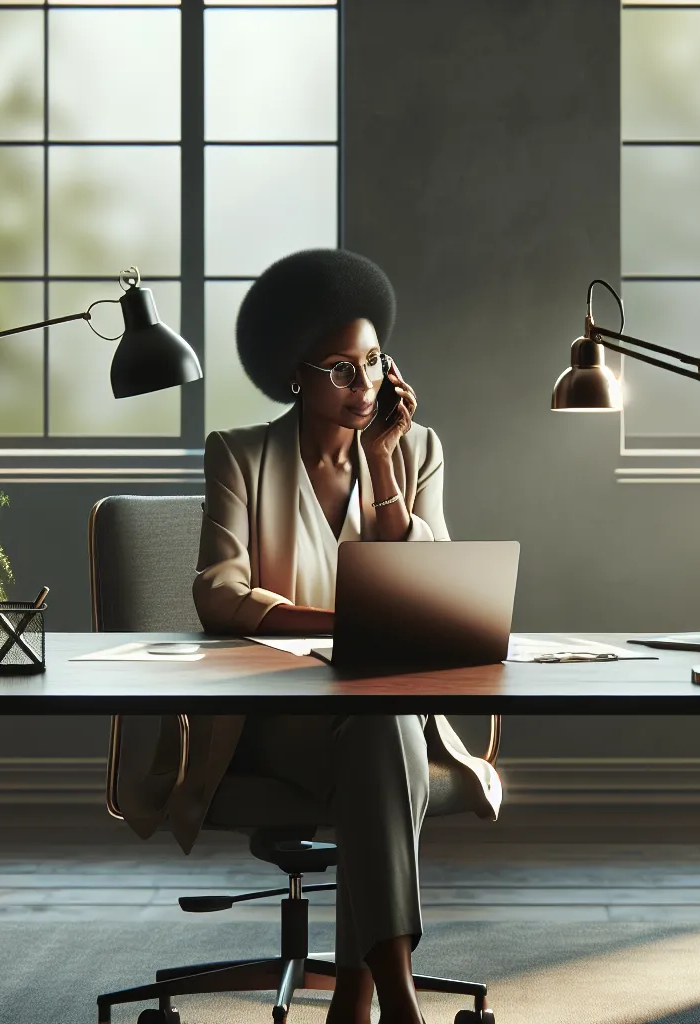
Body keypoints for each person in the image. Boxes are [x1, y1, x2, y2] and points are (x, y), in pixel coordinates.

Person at [187, 249, 500, 1024]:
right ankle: (382, 999)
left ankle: (371, 999)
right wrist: (347, 621)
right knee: (376, 740)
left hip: (388, 710)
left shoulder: (416, 450)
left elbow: (428, 584)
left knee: (379, 727)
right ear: (296, 373)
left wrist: (385, 463)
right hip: (280, 718)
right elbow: (218, 595)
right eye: (341, 369)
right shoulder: (241, 455)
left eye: (373, 363)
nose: (365, 387)